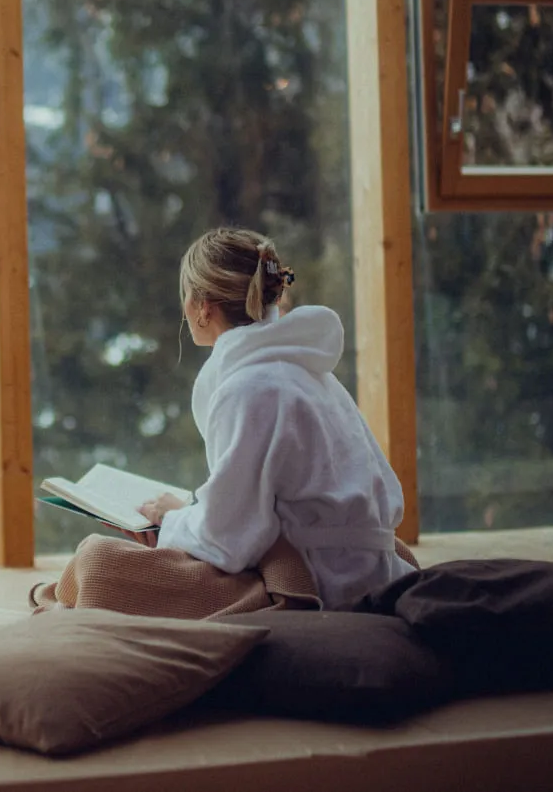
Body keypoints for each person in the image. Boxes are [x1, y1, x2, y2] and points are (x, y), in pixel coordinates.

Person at [136, 226, 415, 609]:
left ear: (202, 305)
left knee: (98, 562)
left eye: (186, 295)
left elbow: (229, 541)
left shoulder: (248, 388)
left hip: (324, 584)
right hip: (373, 571)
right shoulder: (313, 373)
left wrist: (173, 520)